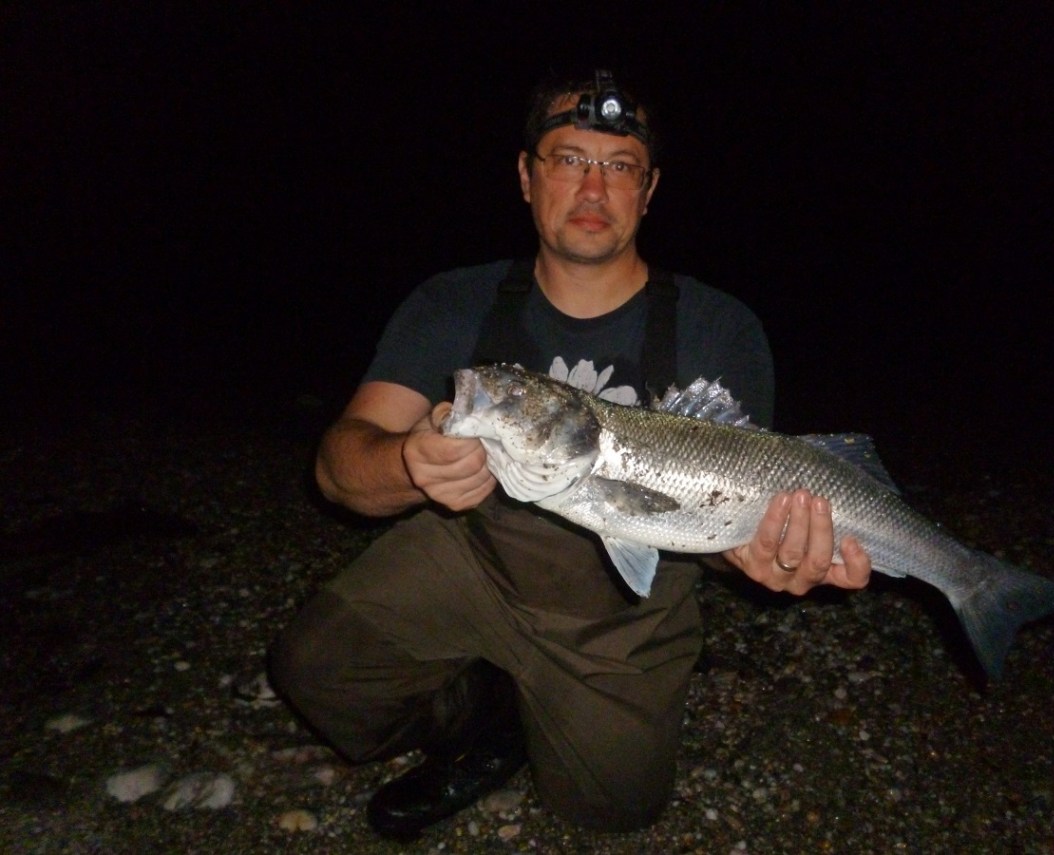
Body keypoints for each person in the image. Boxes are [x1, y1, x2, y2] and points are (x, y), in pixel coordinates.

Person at [269, 70, 871, 838]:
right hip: (473, 559)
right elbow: (337, 467)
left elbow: (728, 524)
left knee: (612, 805)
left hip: (624, 611)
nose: (593, 186)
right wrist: (408, 463)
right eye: (567, 158)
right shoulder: (453, 302)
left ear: (648, 190)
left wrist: (765, 553)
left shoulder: (720, 327)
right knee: (315, 668)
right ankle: (483, 713)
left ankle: (542, 707)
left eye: (619, 166)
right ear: (526, 176)